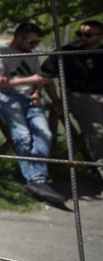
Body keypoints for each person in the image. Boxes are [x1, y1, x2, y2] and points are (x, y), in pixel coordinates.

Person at [0, 22, 66, 205]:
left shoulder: (32, 56)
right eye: (31, 42)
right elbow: (0, 81)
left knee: (44, 133)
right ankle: (37, 179)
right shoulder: (0, 53)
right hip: (6, 97)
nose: (34, 46)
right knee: (22, 135)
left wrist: (38, 92)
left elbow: (41, 79)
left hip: (30, 98)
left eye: (36, 43)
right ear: (19, 37)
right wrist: (33, 79)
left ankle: (37, 178)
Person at [41, 20, 103, 181]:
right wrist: (55, 100)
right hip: (79, 96)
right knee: (97, 133)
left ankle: (71, 159)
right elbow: (45, 76)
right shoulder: (67, 52)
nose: (83, 37)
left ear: (100, 36)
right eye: (80, 33)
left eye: (88, 34)